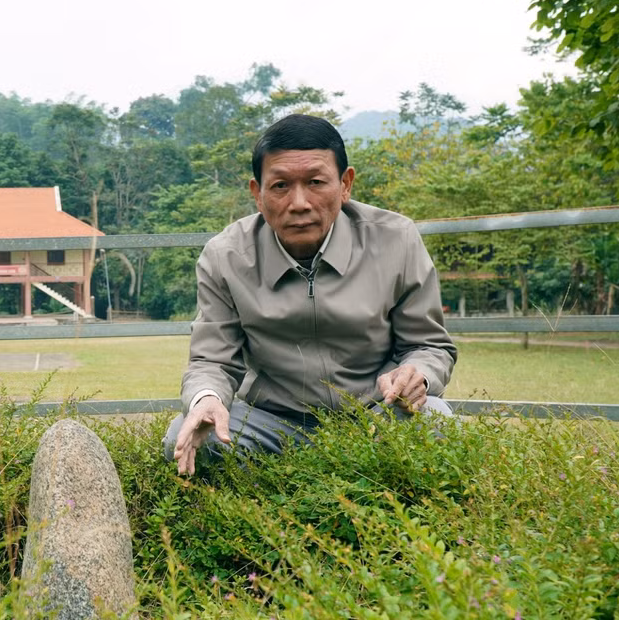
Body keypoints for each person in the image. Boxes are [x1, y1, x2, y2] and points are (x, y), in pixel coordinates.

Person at [164, 113, 457, 475]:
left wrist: (417, 373)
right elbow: (212, 360)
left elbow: (429, 344)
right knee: (189, 435)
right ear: (258, 193)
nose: (299, 202)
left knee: (437, 422)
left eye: (316, 182)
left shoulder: (396, 239)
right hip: (272, 424)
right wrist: (206, 399)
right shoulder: (225, 256)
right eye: (281, 186)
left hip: (376, 415)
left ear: (345, 184)